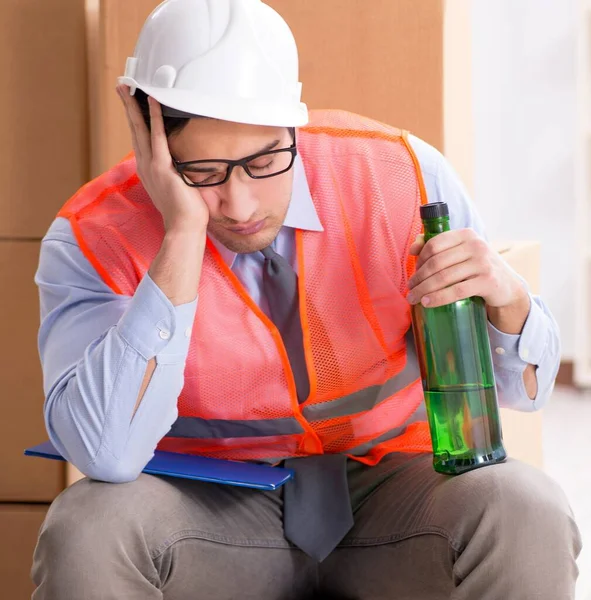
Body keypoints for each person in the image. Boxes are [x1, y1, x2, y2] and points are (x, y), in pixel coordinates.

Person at [31, 0, 581, 598]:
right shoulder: (94, 235)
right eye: (202, 171)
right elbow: (105, 455)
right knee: (87, 528)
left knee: (527, 507)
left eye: (264, 160)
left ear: (296, 123)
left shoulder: (402, 176)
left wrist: (509, 303)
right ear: (151, 140)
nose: (238, 206)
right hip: (213, 515)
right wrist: (181, 235)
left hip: (396, 496)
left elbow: (523, 391)